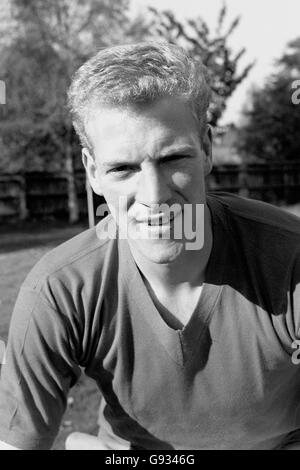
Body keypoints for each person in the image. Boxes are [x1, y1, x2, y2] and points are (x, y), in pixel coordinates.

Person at [0, 41, 300, 451]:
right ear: (92, 172)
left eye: (173, 158)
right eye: (122, 168)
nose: (153, 195)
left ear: (207, 149)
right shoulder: (59, 290)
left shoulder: (290, 260)